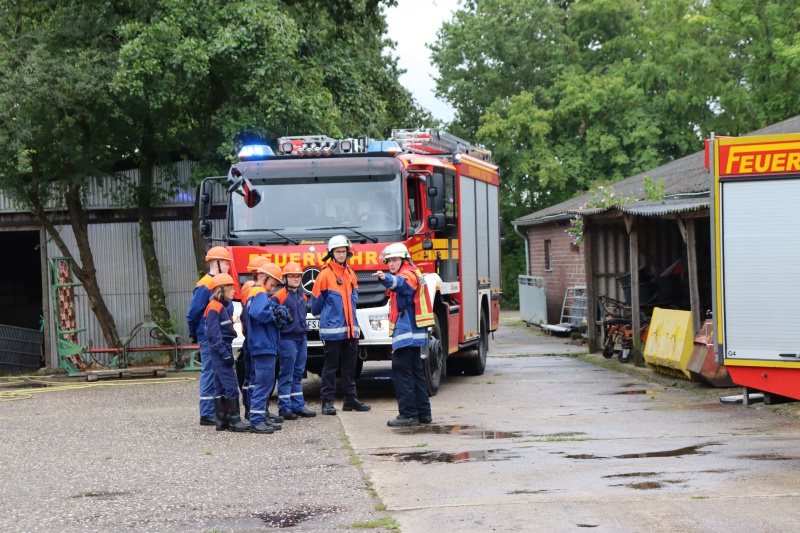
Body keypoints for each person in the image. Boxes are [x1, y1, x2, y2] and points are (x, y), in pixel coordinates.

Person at [372, 243, 434, 427]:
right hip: (414, 331)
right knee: (416, 372)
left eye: (394, 260)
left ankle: (408, 415)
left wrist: (385, 278)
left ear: (404, 259)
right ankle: (423, 413)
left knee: (402, 372)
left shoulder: (407, 274)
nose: (391, 264)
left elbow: (402, 285)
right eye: (389, 261)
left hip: (406, 331)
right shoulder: (413, 272)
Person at [311, 235, 371, 415]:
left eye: (343, 251)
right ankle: (327, 402)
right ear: (331, 253)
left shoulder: (351, 274)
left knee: (350, 367)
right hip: (332, 331)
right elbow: (315, 306)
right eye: (338, 252)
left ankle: (350, 399)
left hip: (351, 330)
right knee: (330, 367)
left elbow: (353, 300)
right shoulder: (324, 275)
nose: (341, 255)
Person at [186, 246, 232, 426]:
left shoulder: (220, 282)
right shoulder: (205, 284)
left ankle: (216, 411)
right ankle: (206, 413)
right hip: (208, 336)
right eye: (226, 263)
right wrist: (195, 332)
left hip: (218, 336)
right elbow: (193, 313)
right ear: (216, 263)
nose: (229, 266)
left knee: (217, 372)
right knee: (210, 371)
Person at [246, 261, 291, 434]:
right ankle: (256, 421)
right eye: (272, 284)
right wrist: (275, 315)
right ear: (264, 278)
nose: (272, 288)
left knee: (263, 382)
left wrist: (277, 309)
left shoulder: (255, 293)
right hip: (264, 345)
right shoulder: (259, 292)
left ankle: (259, 418)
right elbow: (260, 313)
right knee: (264, 383)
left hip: (261, 344)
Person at [204, 273, 249, 432]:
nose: (234, 292)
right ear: (221, 290)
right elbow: (213, 335)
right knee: (230, 384)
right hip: (221, 349)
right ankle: (234, 420)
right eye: (231, 289)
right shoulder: (215, 307)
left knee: (219, 384)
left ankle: (222, 421)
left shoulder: (219, 306)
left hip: (221, 347)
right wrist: (224, 352)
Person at [272, 262, 316, 420]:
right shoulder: (279, 295)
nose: (296, 279)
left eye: (298, 276)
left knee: (298, 373)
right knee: (287, 373)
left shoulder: (302, 295)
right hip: (287, 339)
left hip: (301, 338)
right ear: (285, 278)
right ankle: (284, 408)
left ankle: (298, 406)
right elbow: (271, 312)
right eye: (292, 276)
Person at [237, 255, 270, 420]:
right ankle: (255, 411)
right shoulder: (255, 290)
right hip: (255, 337)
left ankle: (253, 409)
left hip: (250, 336)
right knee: (255, 376)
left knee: (252, 376)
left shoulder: (249, 288)